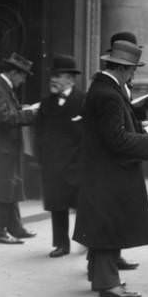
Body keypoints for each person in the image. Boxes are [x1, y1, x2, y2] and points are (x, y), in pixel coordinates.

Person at [73, 38, 148, 297]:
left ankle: (100, 275)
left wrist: (141, 128)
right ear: (123, 69)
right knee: (108, 226)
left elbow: (115, 129)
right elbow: (116, 139)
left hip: (101, 171)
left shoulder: (104, 88)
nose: (132, 75)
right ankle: (108, 283)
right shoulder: (109, 94)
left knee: (104, 225)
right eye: (133, 70)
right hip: (109, 172)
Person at [0, 52, 39, 244]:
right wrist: (32, 114)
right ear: (13, 72)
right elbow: (4, 118)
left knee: (9, 188)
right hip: (0, 149)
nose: (23, 80)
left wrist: (24, 110)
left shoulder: (2, 87)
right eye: (23, 75)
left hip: (5, 148)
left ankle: (14, 227)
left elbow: (8, 112)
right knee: (2, 191)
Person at [36, 54, 86, 258]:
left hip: (76, 164)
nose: (53, 80)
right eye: (52, 76)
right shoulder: (46, 103)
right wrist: (42, 159)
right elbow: (39, 133)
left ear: (71, 79)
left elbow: (87, 135)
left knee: (82, 204)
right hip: (53, 165)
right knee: (57, 205)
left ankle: (86, 240)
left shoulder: (82, 100)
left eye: (59, 75)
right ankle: (61, 244)